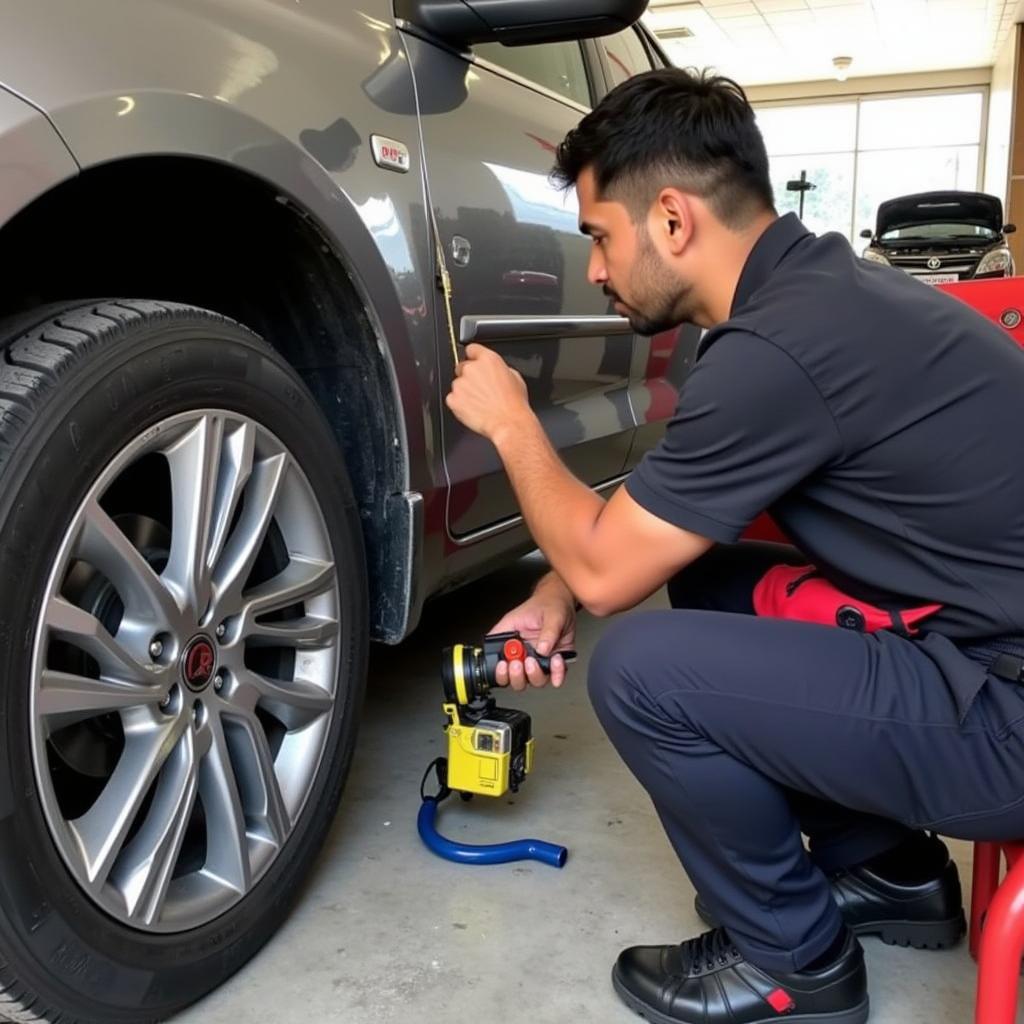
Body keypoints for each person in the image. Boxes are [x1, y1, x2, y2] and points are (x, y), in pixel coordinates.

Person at [445, 67, 1024, 1024]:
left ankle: (794, 963)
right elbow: (665, 503)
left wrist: (512, 429)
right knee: (710, 577)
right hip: (983, 646)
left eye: (600, 237)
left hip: (1007, 715)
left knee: (639, 672)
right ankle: (888, 873)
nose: (594, 271)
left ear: (671, 220)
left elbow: (609, 566)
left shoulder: (779, 352)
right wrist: (553, 592)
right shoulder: (810, 304)